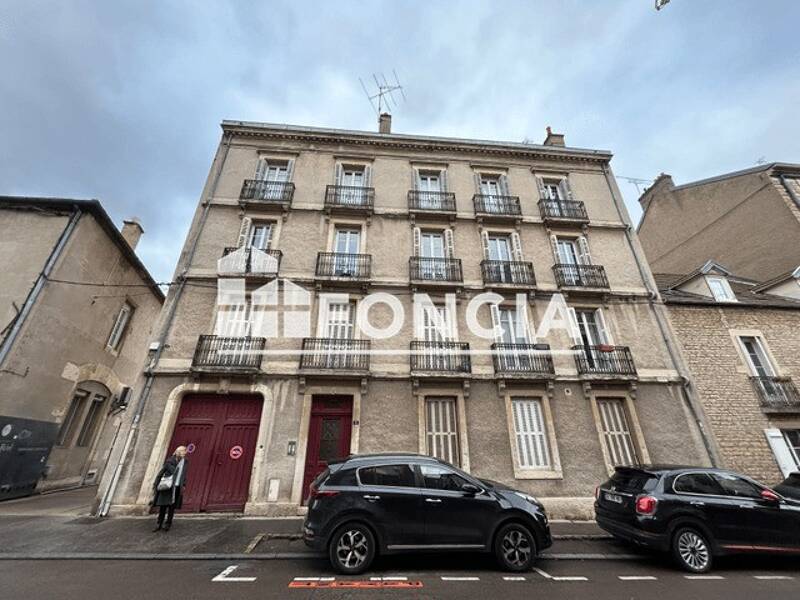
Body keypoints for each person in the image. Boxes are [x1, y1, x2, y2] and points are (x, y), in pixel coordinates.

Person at [151, 445, 188, 532]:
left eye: (185, 452)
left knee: (172, 506)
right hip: (168, 486)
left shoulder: (185, 462)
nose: (185, 453)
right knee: (163, 506)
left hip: (177, 486)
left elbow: (183, 474)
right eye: (183, 452)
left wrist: (184, 484)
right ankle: (159, 523)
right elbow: (162, 473)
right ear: (178, 452)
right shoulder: (169, 461)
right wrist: (155, 485)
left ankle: (168, 524)